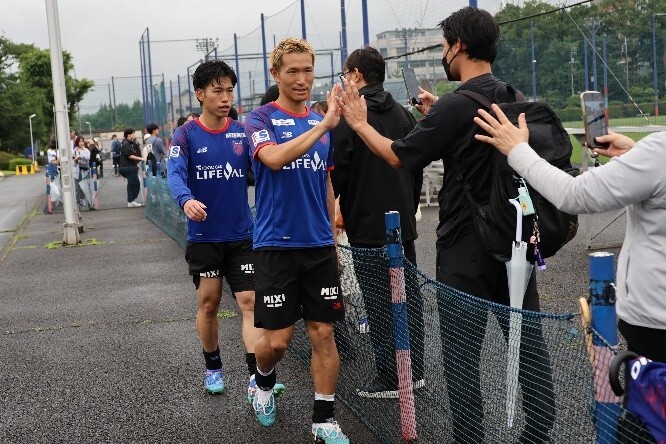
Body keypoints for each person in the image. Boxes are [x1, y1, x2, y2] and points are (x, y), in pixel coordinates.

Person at [337, 7, 555, 443]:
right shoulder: (510, 94)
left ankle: (470, 436)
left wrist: (359, 124)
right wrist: (439, 113)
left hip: (464, 246)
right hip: (513, 237)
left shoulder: (456, 105)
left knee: (460, 354)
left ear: (458, 46)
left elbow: (397, 154)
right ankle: (539, 429)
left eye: (443, 45)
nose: (442, 53)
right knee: (525, 337)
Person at [474, 107, 666, 362]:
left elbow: (574, 194)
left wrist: (517, 150)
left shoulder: (659, 152)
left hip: (656, 321)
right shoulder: (656, 154)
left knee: (651, 387)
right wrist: (636, 155)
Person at [244, 37, 349, 443]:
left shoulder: (323, 127)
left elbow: (325, 181)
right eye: (293, 71)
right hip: (275, 246)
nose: (302, 79)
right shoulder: (260, 119)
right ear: (276, 74)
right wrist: (323, 124)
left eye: (308, 70)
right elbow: (272, 159)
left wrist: (332, 235)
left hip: (318, 246)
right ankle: (262, 380)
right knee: (278, 342)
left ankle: (324, 418)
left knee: (323, 332)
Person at [167, 59, 285, 401]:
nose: (225, 98)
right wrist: (186, 199)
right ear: (200, 94)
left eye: (229, 91)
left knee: (249, 302)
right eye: (217, 91)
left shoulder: (242, 132)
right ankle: (213, 366)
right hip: (205, 238)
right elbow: (174, 173)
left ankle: (256, 376)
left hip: (242, 236)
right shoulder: (185, 135)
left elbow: (264, 168)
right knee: (209, 303)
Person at [330, 46, 425, 399]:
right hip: (403, 224)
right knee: (407, 298)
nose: (344, 80)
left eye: (346, 74)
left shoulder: (350, 118)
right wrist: (408, 206)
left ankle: (390, 376)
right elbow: (415, 170)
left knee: (380, 302)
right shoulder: (404, 114)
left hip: (367, 225)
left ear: (356, 75)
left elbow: (336, 175)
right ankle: (414, 371)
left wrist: (338, 212)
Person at [119, 128, 143, 208]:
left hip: (129, 167)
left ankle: (131, 201)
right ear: (129, 135)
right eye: (133, 133)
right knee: (135, 184)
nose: (135, 135)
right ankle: (131, 200)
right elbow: (129, 155)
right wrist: (141, 159)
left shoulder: (130, 143)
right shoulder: (126, 144)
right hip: (128, 167)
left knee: (131, 184)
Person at [72, 138, 91, 208]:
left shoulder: (86, 150)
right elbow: (73, 163)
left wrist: (81, 155)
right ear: (77, 142)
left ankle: (88, 203)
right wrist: (76, 160)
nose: (81, 143)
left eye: (82, 141)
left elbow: (88, 158)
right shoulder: (74, 151)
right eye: (80, 141)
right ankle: (78, 204)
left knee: (85, 188)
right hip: (77, 172)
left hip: (85, 171)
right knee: (77, 189)